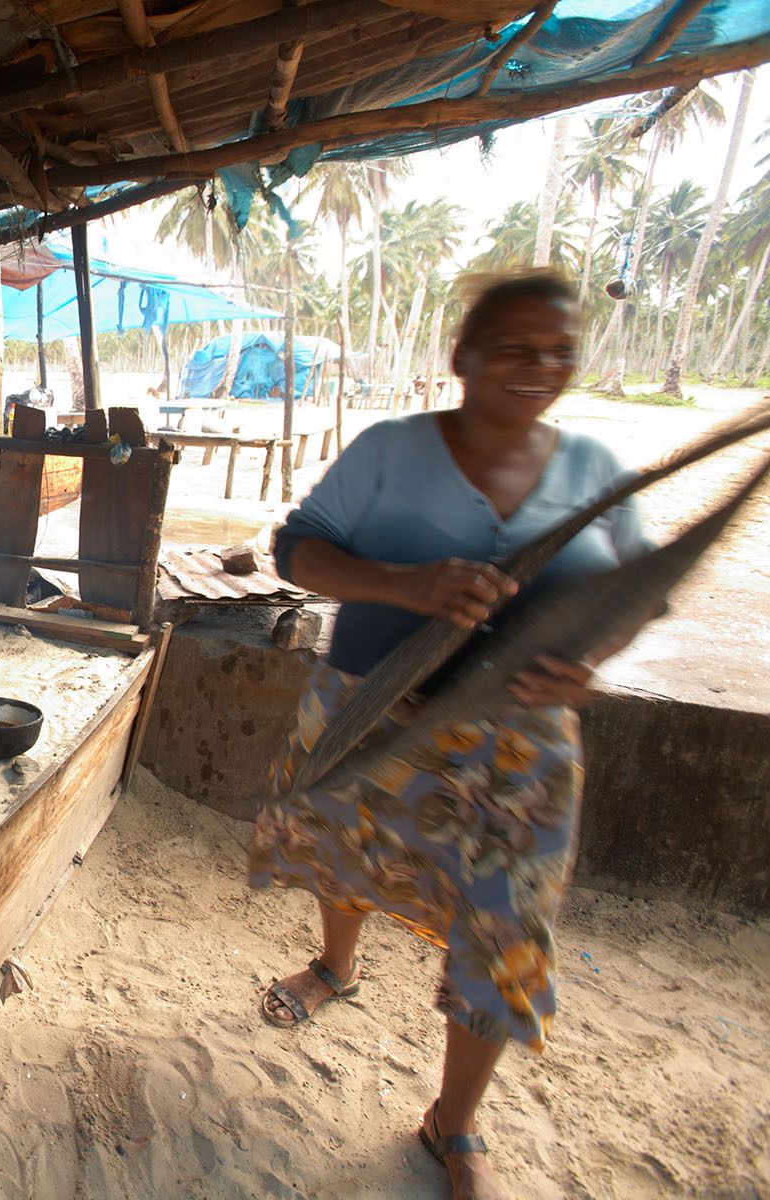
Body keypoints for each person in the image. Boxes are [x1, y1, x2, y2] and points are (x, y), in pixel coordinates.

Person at [249, 273, 652, 1200]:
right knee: (346, 852)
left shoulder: (594, 470)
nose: (539, 366)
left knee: (506, 921)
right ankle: (335, 967)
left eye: (558, 351)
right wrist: (408, 586)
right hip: (373, 704)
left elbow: (638, 590)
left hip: (518, 741)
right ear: (462, 357)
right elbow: (298, 548)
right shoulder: (393, 452)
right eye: (515, 346)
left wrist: (591, 664)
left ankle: (452, 1124)